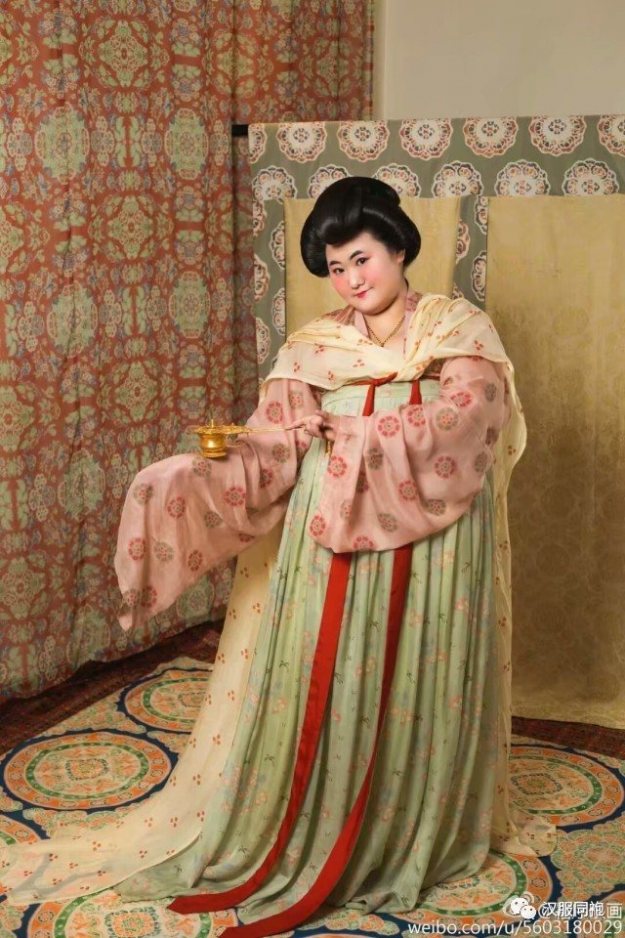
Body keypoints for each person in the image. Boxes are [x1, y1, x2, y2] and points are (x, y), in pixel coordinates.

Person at [0, 177, 553, 936]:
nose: (351, 280)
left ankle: (407, 823)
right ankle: (313, 814)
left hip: (435, 542)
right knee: (329, 673)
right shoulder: (312, 347)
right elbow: (274, 444)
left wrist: (354, 434)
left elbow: (469, 422)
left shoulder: (457, 329)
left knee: (416, 670)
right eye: (336, 268)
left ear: (399, 248)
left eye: (362, 259)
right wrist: (194, 473)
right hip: (327, 536)